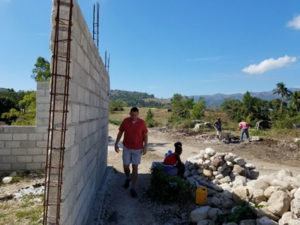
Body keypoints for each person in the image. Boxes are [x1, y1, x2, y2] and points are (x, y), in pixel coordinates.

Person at [114, 107, 148, 198]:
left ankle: (132, 188)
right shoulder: (125, 121)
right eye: (132, 115)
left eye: (135, 115)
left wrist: (145, 146)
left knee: (135, 167)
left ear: (138, 114)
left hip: (137, 148)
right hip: (127, 147)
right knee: (125, 166)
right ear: (130, 114)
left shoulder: (142, 123)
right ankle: (128, 177)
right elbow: (120, 132)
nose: (134, 117)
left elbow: (145, 135)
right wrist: (116, 143)